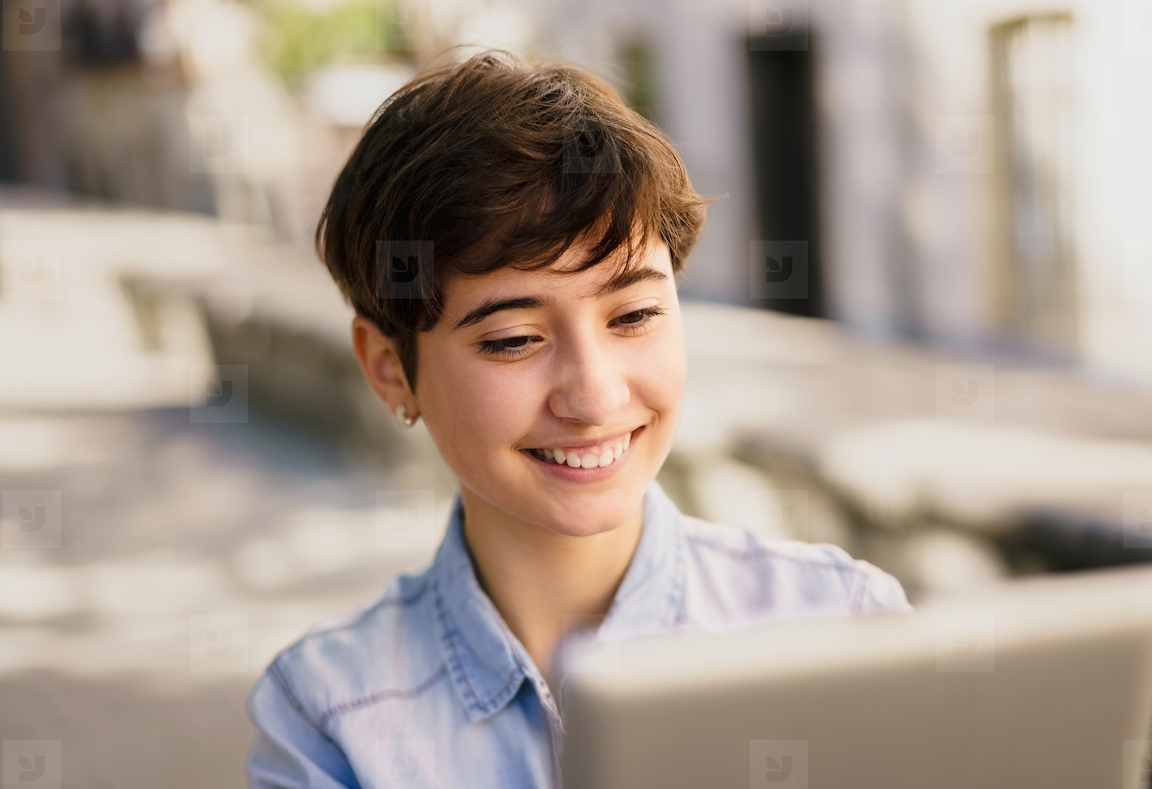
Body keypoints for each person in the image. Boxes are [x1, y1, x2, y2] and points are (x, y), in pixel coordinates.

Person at [245, 47, 912, 788]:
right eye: (513, 340)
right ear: (391, 368)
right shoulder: (331, 714)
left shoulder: (841, 624)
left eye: (634, 315)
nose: (593, 396)